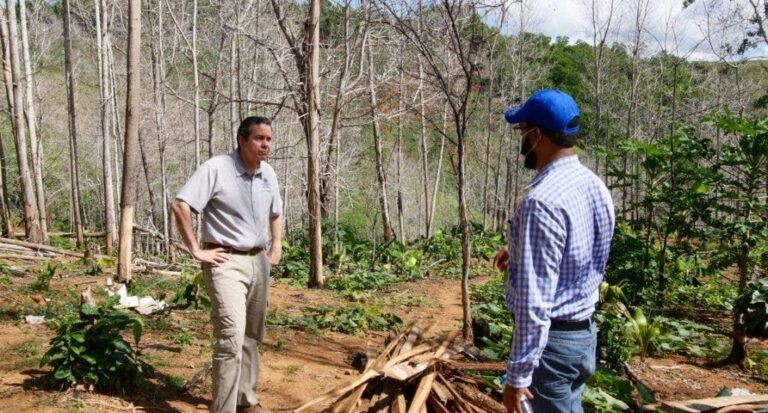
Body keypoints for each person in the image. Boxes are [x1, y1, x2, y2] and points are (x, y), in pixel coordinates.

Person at [497, 90, 615, 413]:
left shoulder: (541, 202)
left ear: (537, 136)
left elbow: (535, 304)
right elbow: (585, 254)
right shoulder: (594, 186)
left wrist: (518, 376)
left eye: (522, 132)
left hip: (551, 349)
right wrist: (521, 251)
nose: (521, 141)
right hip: (583, 338)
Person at [171, 116, 283, 413]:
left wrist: (276, 245)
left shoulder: (268, 173)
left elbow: (276, 212)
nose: (265, 144)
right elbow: (180, 205)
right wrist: (196, 249)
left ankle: (246, 400)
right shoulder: (216, 169)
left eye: (269, 139)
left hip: (258, 261)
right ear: (242, 139)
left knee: (251, 336)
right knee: (231, 337)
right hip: (225, 262)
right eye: (259, 138)